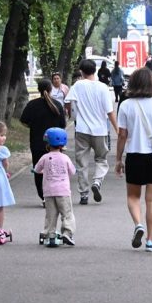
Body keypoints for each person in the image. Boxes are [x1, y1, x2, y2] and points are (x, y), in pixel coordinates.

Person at [114, 67, 152, 253]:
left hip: (134, 156)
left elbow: (122, 135)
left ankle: (138, 224)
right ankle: (150, 241)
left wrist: (118, 159)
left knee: (133, 197)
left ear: (133, 83)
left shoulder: (126, 105)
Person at [64, 58, 117, 205]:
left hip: (82, 130)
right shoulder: (103, 87)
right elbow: (110, 112)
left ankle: (84, 194)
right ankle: (97, 182)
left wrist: (72, 114)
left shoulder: (77, 85)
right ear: (95, 70)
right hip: (100, 130)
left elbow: (67, 102)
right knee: (101, 159)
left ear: (81, 72)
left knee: (82, 163)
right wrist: (117, 129)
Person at [20, 79, 67, 203]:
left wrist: (33, 126)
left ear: (38, 90)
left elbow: (23, 121)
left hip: (37, 143)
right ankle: (55, 194)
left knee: (39, 169)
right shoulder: (57, 104)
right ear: (51, 89)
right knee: (54, 169)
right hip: (55, 143)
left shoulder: (32, 105)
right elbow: (63, 124)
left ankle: (44, 196)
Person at [34, 127, 76, 247]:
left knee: (50, 215)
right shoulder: (65, 158)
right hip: (63, 192)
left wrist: (42, 171)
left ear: (47, 143)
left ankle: (49, 234)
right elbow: (72, 171)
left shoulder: (45, 157)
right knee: (67, 214)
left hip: (48, 192)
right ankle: (67, 233)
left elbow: (37, 169)